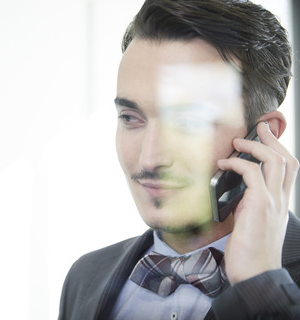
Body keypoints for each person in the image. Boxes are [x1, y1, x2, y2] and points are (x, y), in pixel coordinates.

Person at [58, 0, 300, 319]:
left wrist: (261, 287)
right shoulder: (85, 275)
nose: (150, 159)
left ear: (263, 134)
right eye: (131, 118)